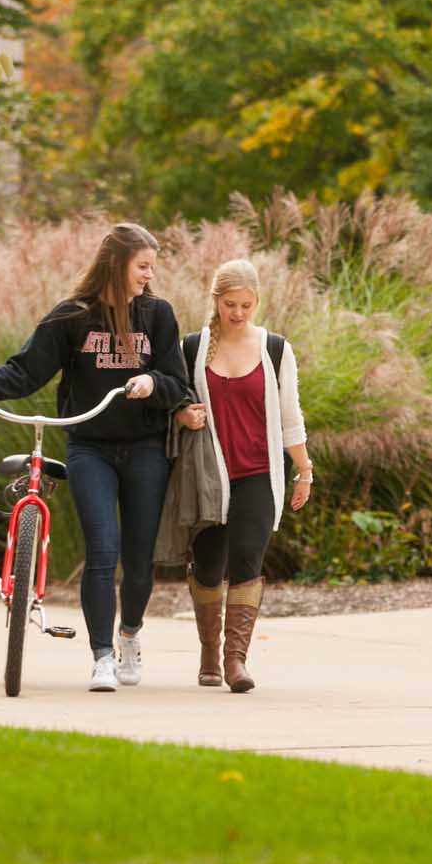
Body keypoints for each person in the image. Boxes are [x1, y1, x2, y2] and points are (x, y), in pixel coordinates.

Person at [0, 222, 189, 692]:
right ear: (117, 264)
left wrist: (153, 383)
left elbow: (178, 382)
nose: (148, 276)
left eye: (152, 268)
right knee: (102, 551)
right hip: (89, 447)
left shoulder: (157, 315)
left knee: (138, 561)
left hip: (145, 448)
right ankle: (101, 657)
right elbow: (23, 372)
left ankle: (130, 635)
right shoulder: (72, 317)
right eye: (142, 266)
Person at [159, 258, 311, 693]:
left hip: (259, 473)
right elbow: (173, 400)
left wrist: (304, 470)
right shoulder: (191, 347)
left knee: (247, 559)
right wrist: (183, 414)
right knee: (208, 567)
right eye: (230, 305)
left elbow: (290, 416)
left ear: (257, 301)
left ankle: (235, 660)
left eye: (246, 305)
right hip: (207, 477)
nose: (238, 313)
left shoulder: (275, 349)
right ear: (216, 301)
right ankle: (209, 650)